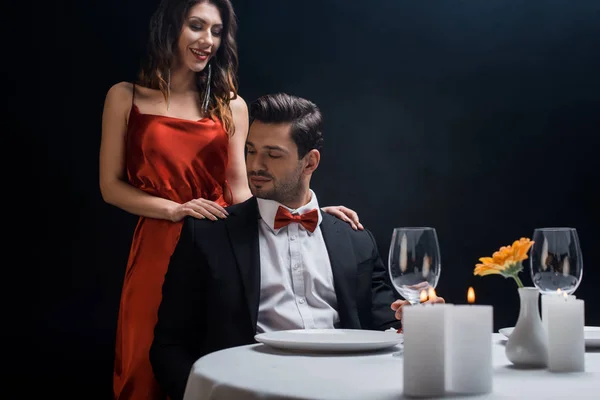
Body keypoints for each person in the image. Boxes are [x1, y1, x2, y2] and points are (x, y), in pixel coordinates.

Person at [99, 1, 362, 399]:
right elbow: (110, 186)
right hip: (158, 242)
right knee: (146, 362)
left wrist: (306, 209)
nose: (207, 40)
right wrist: (175, 209)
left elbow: (242, 189)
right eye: (196, 26)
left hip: (221, 238)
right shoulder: (125, 96)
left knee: (216, 350)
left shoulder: (231, 104)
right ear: (170, 27)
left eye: (217, 31)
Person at [149, 93, 445, 400]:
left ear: (310, 162)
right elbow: (169, 347)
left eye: (273, 155)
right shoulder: (207, 235)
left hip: (350, 390)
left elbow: (387, 326)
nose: (255, 165)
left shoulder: (355, 238)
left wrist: (414, 322)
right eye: (250, 151)